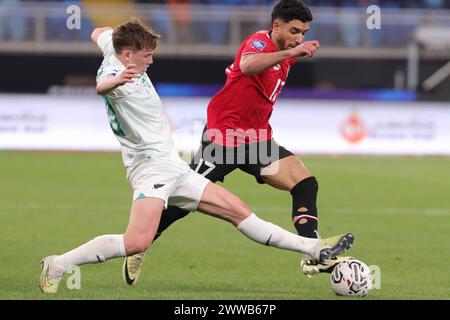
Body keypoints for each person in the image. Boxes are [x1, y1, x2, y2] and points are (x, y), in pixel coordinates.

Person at [39, 18, 354, 294]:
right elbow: (101, 87)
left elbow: (100, 31)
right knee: (135, 241)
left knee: (240, 212)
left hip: (176, 163)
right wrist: (114, 82)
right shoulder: (123, 81)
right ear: (128, 55)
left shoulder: (115, 47)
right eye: (147, 56)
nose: (151, 61)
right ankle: (58, 264)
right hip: (154, 168)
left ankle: (313, 246)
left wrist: (106, 36)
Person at [123, 0, 353, 286]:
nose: (299, 38)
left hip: (256, 142)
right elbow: (247, 65)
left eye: (304, 34)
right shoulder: (259, 42)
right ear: (277, 25)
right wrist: (291, 51)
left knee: (305, 183)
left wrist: (288, 52)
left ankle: (311, 251)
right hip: (224, 139)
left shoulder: (286, 53)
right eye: (294, 31)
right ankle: (138, 246)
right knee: (183, 203)